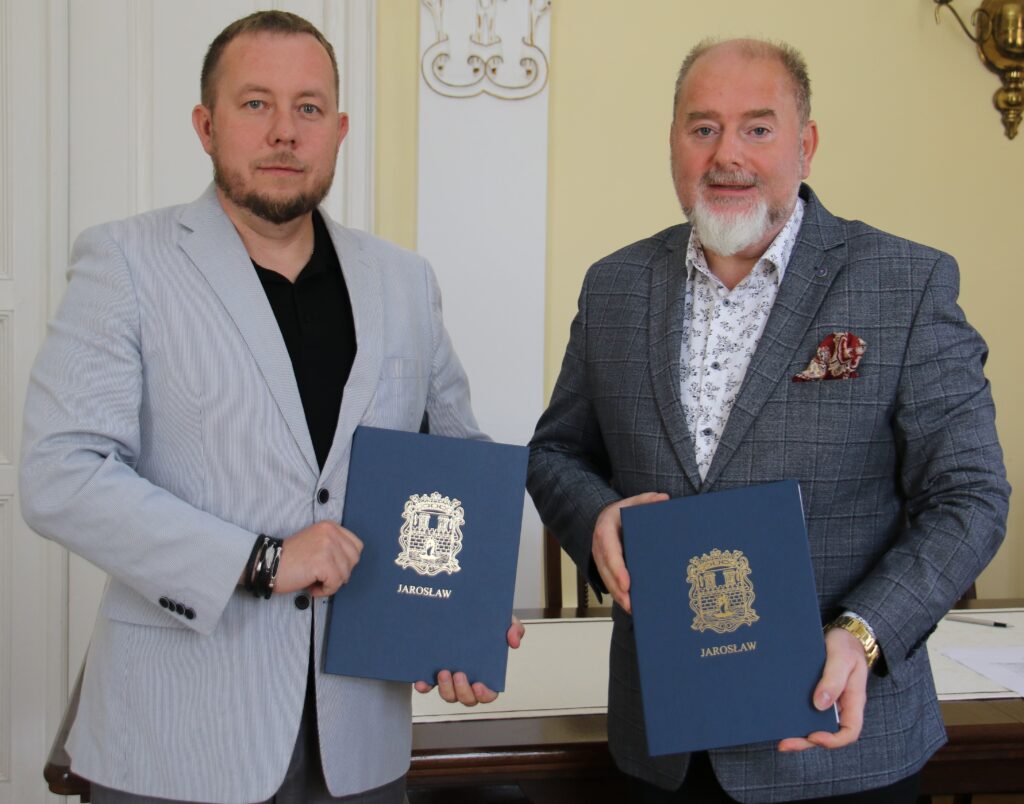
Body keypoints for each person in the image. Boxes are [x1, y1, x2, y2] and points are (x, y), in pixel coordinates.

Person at [21, 11, 522, 804]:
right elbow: (60, 474)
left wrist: (467, 613)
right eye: (256, 104)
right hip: (176, 741)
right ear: (206, 125)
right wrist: (260, 559)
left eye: (308, 108)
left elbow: (456, 464)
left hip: (358, 742)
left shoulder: (403, 281)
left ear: (339, 130)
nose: (285, 131)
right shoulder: (124, 262)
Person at [527, 38, 1009, 804]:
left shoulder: (905, 284)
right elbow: (557, 454)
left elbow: (970, 498)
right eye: (703, 127)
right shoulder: (615, 286)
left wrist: (864, 632)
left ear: (806, 145)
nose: (728, 154)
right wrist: (596, 520)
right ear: (674, 143)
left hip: (838, 744)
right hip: (662, 744)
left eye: (758, 128)